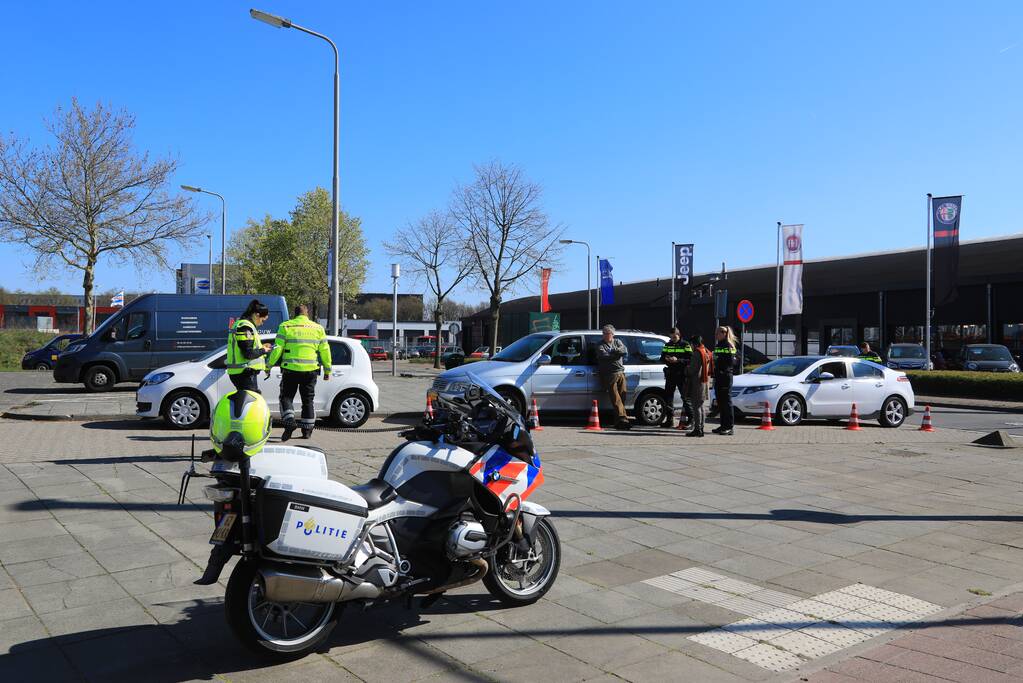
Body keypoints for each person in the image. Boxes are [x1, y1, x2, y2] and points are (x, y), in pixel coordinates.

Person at [266, 304, 332, 441]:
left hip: (290, 370)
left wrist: (269, 365)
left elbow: (277, 348)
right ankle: (307, 432)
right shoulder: (318, 328)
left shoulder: (286, 326)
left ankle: (290, 422)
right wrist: (327, 369)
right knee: (308, 401)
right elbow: (325, 350)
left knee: (286, 398)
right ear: (307, 314)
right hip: (310, 371)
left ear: (294, 314)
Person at [226, 299, 273, 393]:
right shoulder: (245, 327)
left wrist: (262, 347)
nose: (262, 323)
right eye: (263, 320)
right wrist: (263, 350)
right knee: (251, 402)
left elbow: (246, 347)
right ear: (257, 315)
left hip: (242, 372)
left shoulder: (243, 325)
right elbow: (248, 354)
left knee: (249, 400)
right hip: (244, 373)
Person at [596, 324, 630, 430]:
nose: (606, 335)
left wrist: (613, 352)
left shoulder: (618, 341)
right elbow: (604, 356)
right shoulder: (600, 344)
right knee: (616, 398)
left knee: (622, 398)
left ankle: (618, 422)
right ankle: (623, 420)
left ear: (613, 334)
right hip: (609, 374)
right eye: (604, 333)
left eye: (608, 333)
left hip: (621, 372)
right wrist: (617, 353)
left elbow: (624, 351)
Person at [660, 328, 692, 428]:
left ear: (679, 335)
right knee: (668, 397)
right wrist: (666, 359)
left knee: (685, 397)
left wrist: (678, 360)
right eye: (671, 337)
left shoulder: (685, 345)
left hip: (681, 374)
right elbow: (661, 357)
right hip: (670, 374)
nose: (673, 339)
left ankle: (691, 419)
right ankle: (669, 420)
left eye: (674, 337)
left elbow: (690, 359)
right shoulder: (667, 345)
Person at [711, 325, 738, 436]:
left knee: (726, 402)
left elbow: (731, 362)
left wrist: (723, 372)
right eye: (716, 333)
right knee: (721, 402)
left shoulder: (728, 345)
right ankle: (723, 425)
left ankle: (729, 427)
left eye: (718, 333)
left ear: (724, 334)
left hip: (725, 377)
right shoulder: (719, 345)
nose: (716, 335)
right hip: (718, 376)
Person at [684, 335, 711, 437]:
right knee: (701, 406)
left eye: (691, 344)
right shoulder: (706, 351)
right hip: (704, 381)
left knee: (696, 407)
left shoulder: (697, 353)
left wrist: (686, 369)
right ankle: (701, 428)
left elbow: (692, 370)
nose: (690, 346)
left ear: (694, 344)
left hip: (697, 383)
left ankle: (697, 429)